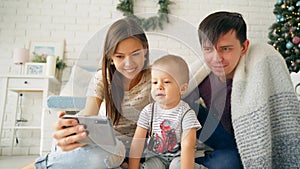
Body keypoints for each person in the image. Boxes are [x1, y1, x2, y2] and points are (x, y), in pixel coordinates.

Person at [22, 17, 152, 169]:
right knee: (79, 146)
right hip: (108, 146)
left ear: (145, 51)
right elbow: (89, 113)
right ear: (110, 59)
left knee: (99, 159)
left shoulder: (156, 77)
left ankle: (41, 165)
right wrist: (73, 129)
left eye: (135, 54)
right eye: (120, 56)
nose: (129, 63)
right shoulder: (103, 78)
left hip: (137, 149)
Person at [184, 11, 300, 168]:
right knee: (177, 102)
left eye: (226, 49)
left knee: (229, 163)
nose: (216, 58)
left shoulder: (258, 71)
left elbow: (283, 117)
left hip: (242, 143)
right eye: (209, 49)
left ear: (244, 46)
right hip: (219, 133)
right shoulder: (202, 77)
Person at [129, 55, 201, 169]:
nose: (159, 87)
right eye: (155, 82)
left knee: (176, 165)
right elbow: (137, 141)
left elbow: (188, 146)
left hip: (180, 159)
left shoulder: (186, 113)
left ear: (182, 88)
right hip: (156, 158)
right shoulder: (148, 111)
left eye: (166, 82)